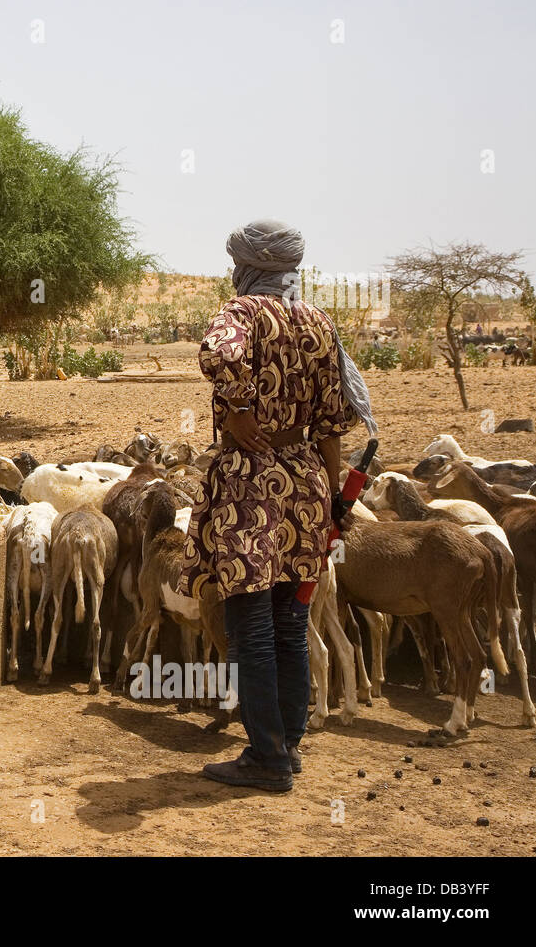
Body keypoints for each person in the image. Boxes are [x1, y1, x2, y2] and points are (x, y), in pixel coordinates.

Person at [178, 219, 364, 792]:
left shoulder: (242, 313)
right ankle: (288, 744)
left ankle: (266, 759)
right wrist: (334, 499)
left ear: (247, 267)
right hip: (306, 481)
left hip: (250, 487)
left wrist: (236, 407)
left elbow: (217, 351)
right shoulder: (318, 322)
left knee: (251, 623)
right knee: (290, 619)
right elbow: (332, 425)